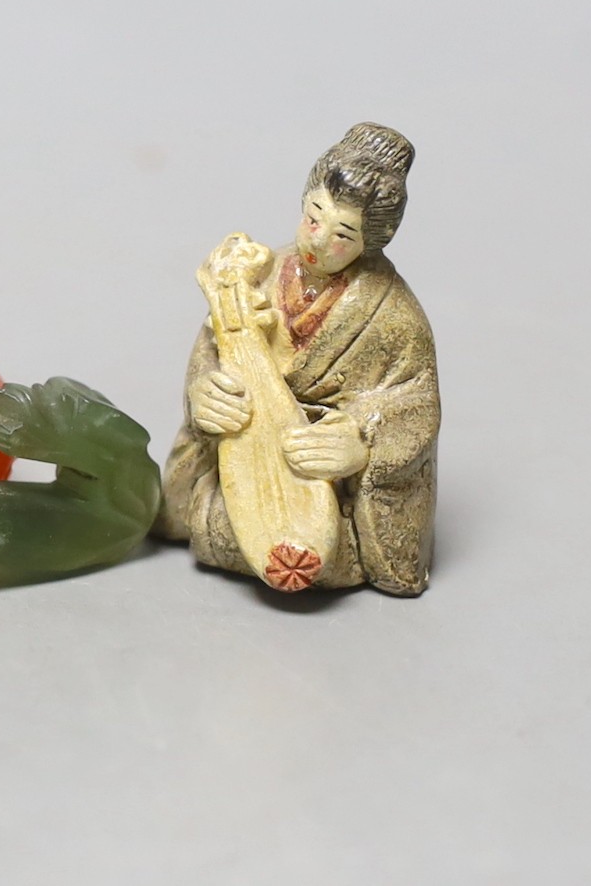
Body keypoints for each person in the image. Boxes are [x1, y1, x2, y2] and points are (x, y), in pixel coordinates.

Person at [156, 123, 440, 593]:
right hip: (245, 467)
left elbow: (415, 401)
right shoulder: (257, 274)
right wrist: (205, 394)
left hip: (324, 491)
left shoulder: (396, 316)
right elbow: (210, 352)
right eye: (313, 217)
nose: (318, 240)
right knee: (217, 518)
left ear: (371, 241)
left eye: (343, 235)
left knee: (324, 550)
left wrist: (359, 440)